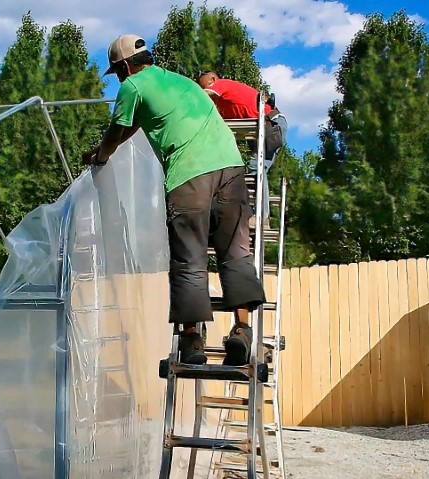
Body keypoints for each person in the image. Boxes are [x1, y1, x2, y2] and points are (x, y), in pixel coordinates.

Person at [81, 34, 266, 366]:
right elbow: (132, 128)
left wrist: (99, 157)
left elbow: (115, 131)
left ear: (124, 67)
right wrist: (106, 148)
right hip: (231, 169)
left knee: (190, 260)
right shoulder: (180, 82)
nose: (118, 79)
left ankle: (193, 342)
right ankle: (242, 331)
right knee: (236, 253)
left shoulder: (132, 88)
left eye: (117, 72)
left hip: (189, 176)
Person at [197, 72, 288, 228]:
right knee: (254, 168)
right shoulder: (222, 106)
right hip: (261, 129)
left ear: (212, 80)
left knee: (256, 167)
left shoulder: (222, 84)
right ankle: (255, 214)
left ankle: (261, 216)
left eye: (203, 85)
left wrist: (186, 95)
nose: (203, 88)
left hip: (270, 124)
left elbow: (203, 96)